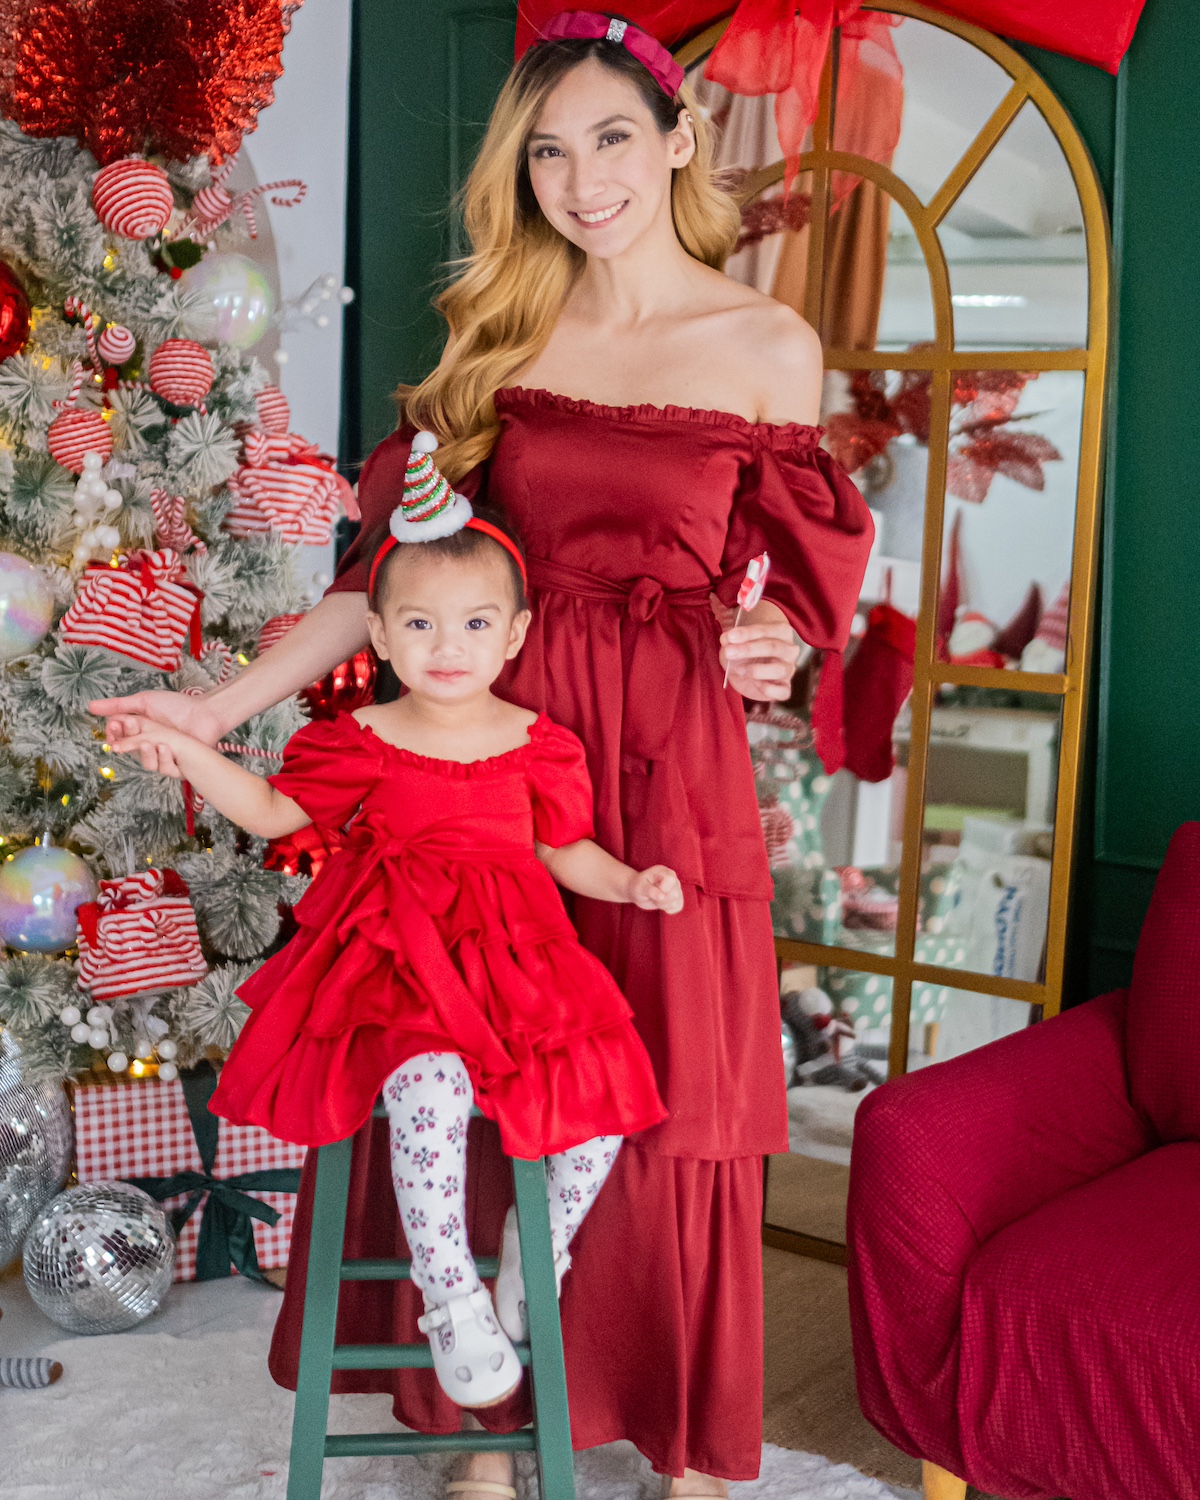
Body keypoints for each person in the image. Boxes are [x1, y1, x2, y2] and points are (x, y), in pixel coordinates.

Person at [94, 10, 872, 1493]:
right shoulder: (498, 335)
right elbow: (378, 586)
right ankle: (488, 1427)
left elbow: (777, 591)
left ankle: (681, 1434)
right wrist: (215, 710)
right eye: (549, 155)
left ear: (679, 140)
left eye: (612, 140)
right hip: (485, 749)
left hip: (668, 762)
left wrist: (776, 647)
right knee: (459, 1058)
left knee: (667, 1083)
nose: (584, 182)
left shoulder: (767, 343)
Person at [107, 446, 676, 1408]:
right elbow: (274, 814)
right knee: (430, 1084)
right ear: (377, 632)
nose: (447, 646)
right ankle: (448, 1294)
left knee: (604, 1106)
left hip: (518, 963)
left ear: (515, 634)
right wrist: (187, 749)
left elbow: (563, 850)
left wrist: (632, 882)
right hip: (398, 964)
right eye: (418, 623)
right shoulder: (363, 740)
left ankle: (535, 1249)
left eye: (475, 624)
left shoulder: (539, 746)